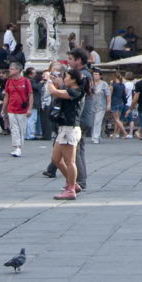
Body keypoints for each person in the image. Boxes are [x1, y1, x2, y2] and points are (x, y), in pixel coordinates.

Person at [46, 68, 84, 199]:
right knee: (55, 159)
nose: (64, 79)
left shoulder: (76, 92)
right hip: (64, 128)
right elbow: (59, 89)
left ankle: (71, 188)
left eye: (66, 77)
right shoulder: (70, 90)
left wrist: (48, 80)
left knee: (69, 161)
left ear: (73, 79)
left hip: (70, 128)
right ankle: (73, 183)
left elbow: (54, 92)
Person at [2, 64, 32, 157]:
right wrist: (4, 109)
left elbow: (30, 95)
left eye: (11, 69)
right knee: (14, 128)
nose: (9, 70)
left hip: (22, 109)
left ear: (18, 70)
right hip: (11, 108)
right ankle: (17, 147)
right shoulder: (9, 82)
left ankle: (19, 146)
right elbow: (6, 96)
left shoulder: (26, 81)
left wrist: (29, 108)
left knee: (21, 129)